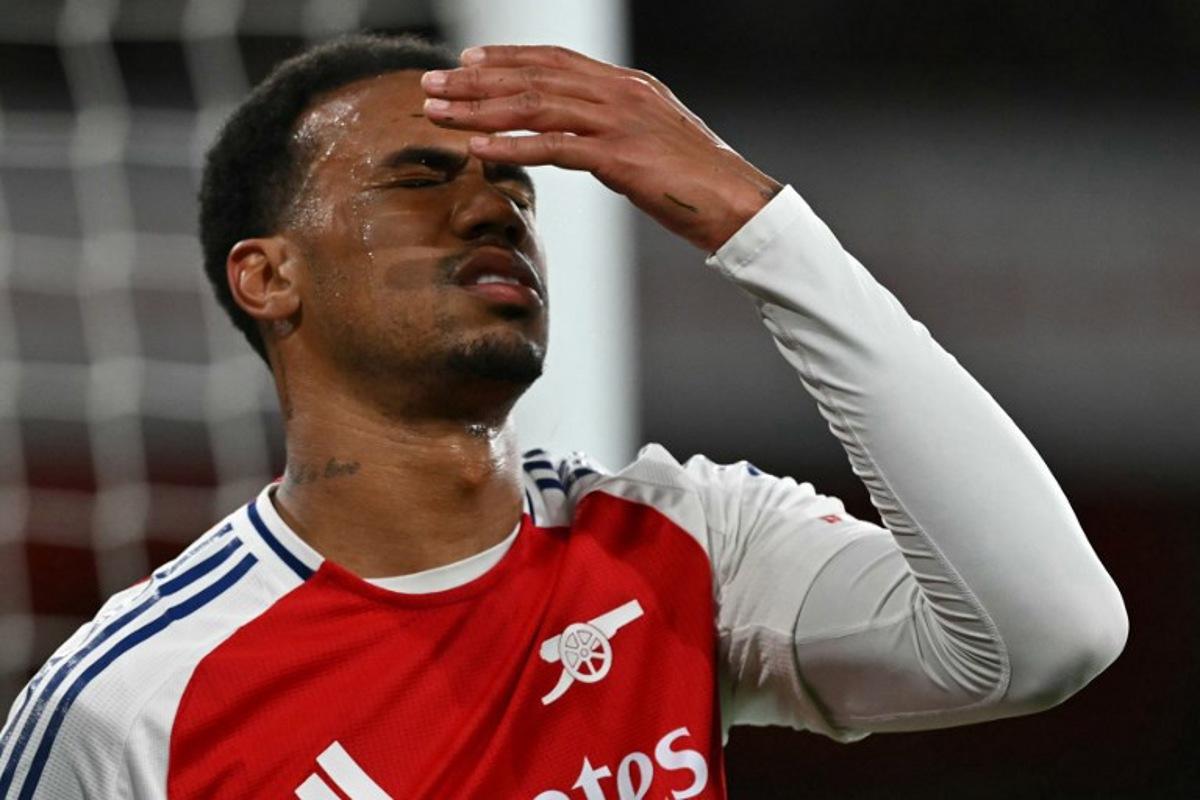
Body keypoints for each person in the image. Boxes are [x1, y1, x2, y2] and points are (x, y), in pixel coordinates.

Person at [0, 33, 1127, 799]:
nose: (490, 204)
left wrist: (758, 221)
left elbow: (1049, 635)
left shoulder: (682, 542)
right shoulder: (131, 702)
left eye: (516, 187)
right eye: (418, 178)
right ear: (267, 276)